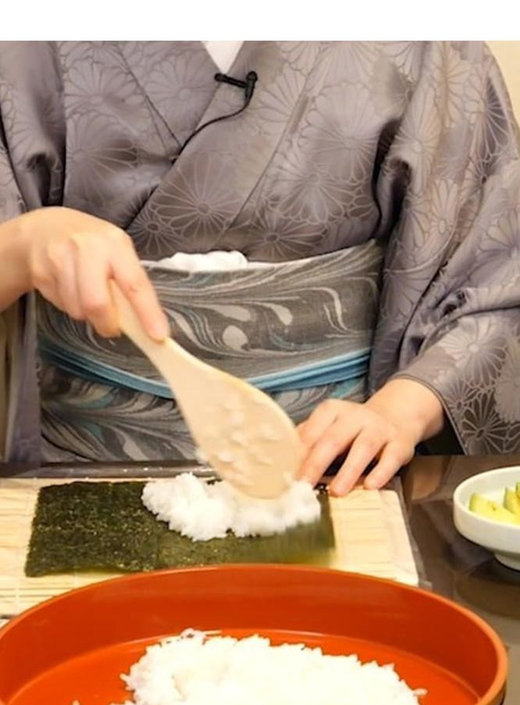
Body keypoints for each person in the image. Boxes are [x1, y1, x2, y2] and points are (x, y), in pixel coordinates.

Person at [0, 41, 519, 496]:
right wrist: (23, 245)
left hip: (337, 476)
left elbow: (498, 274)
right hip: (78, 470)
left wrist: (399, 413)